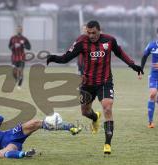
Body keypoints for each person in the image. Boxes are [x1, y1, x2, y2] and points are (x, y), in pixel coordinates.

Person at [47, 20, 143, 154]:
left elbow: (120, 54)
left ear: (99, 30)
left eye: (93, 33)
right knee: (85, 112)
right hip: (87, 83)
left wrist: (134, 66)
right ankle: (94, 118)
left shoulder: (109, 41)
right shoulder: (82, 41)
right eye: (88, 32)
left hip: (105, 81)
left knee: (107, 107)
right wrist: (53, 58)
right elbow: (66, 57)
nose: (91, 35)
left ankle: (107, 144)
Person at [140, 28, 158, 128]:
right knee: (152, 94)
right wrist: (141, 70)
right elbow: (144, 56)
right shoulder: (152, 45)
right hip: (154, 75)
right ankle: (150, 122)